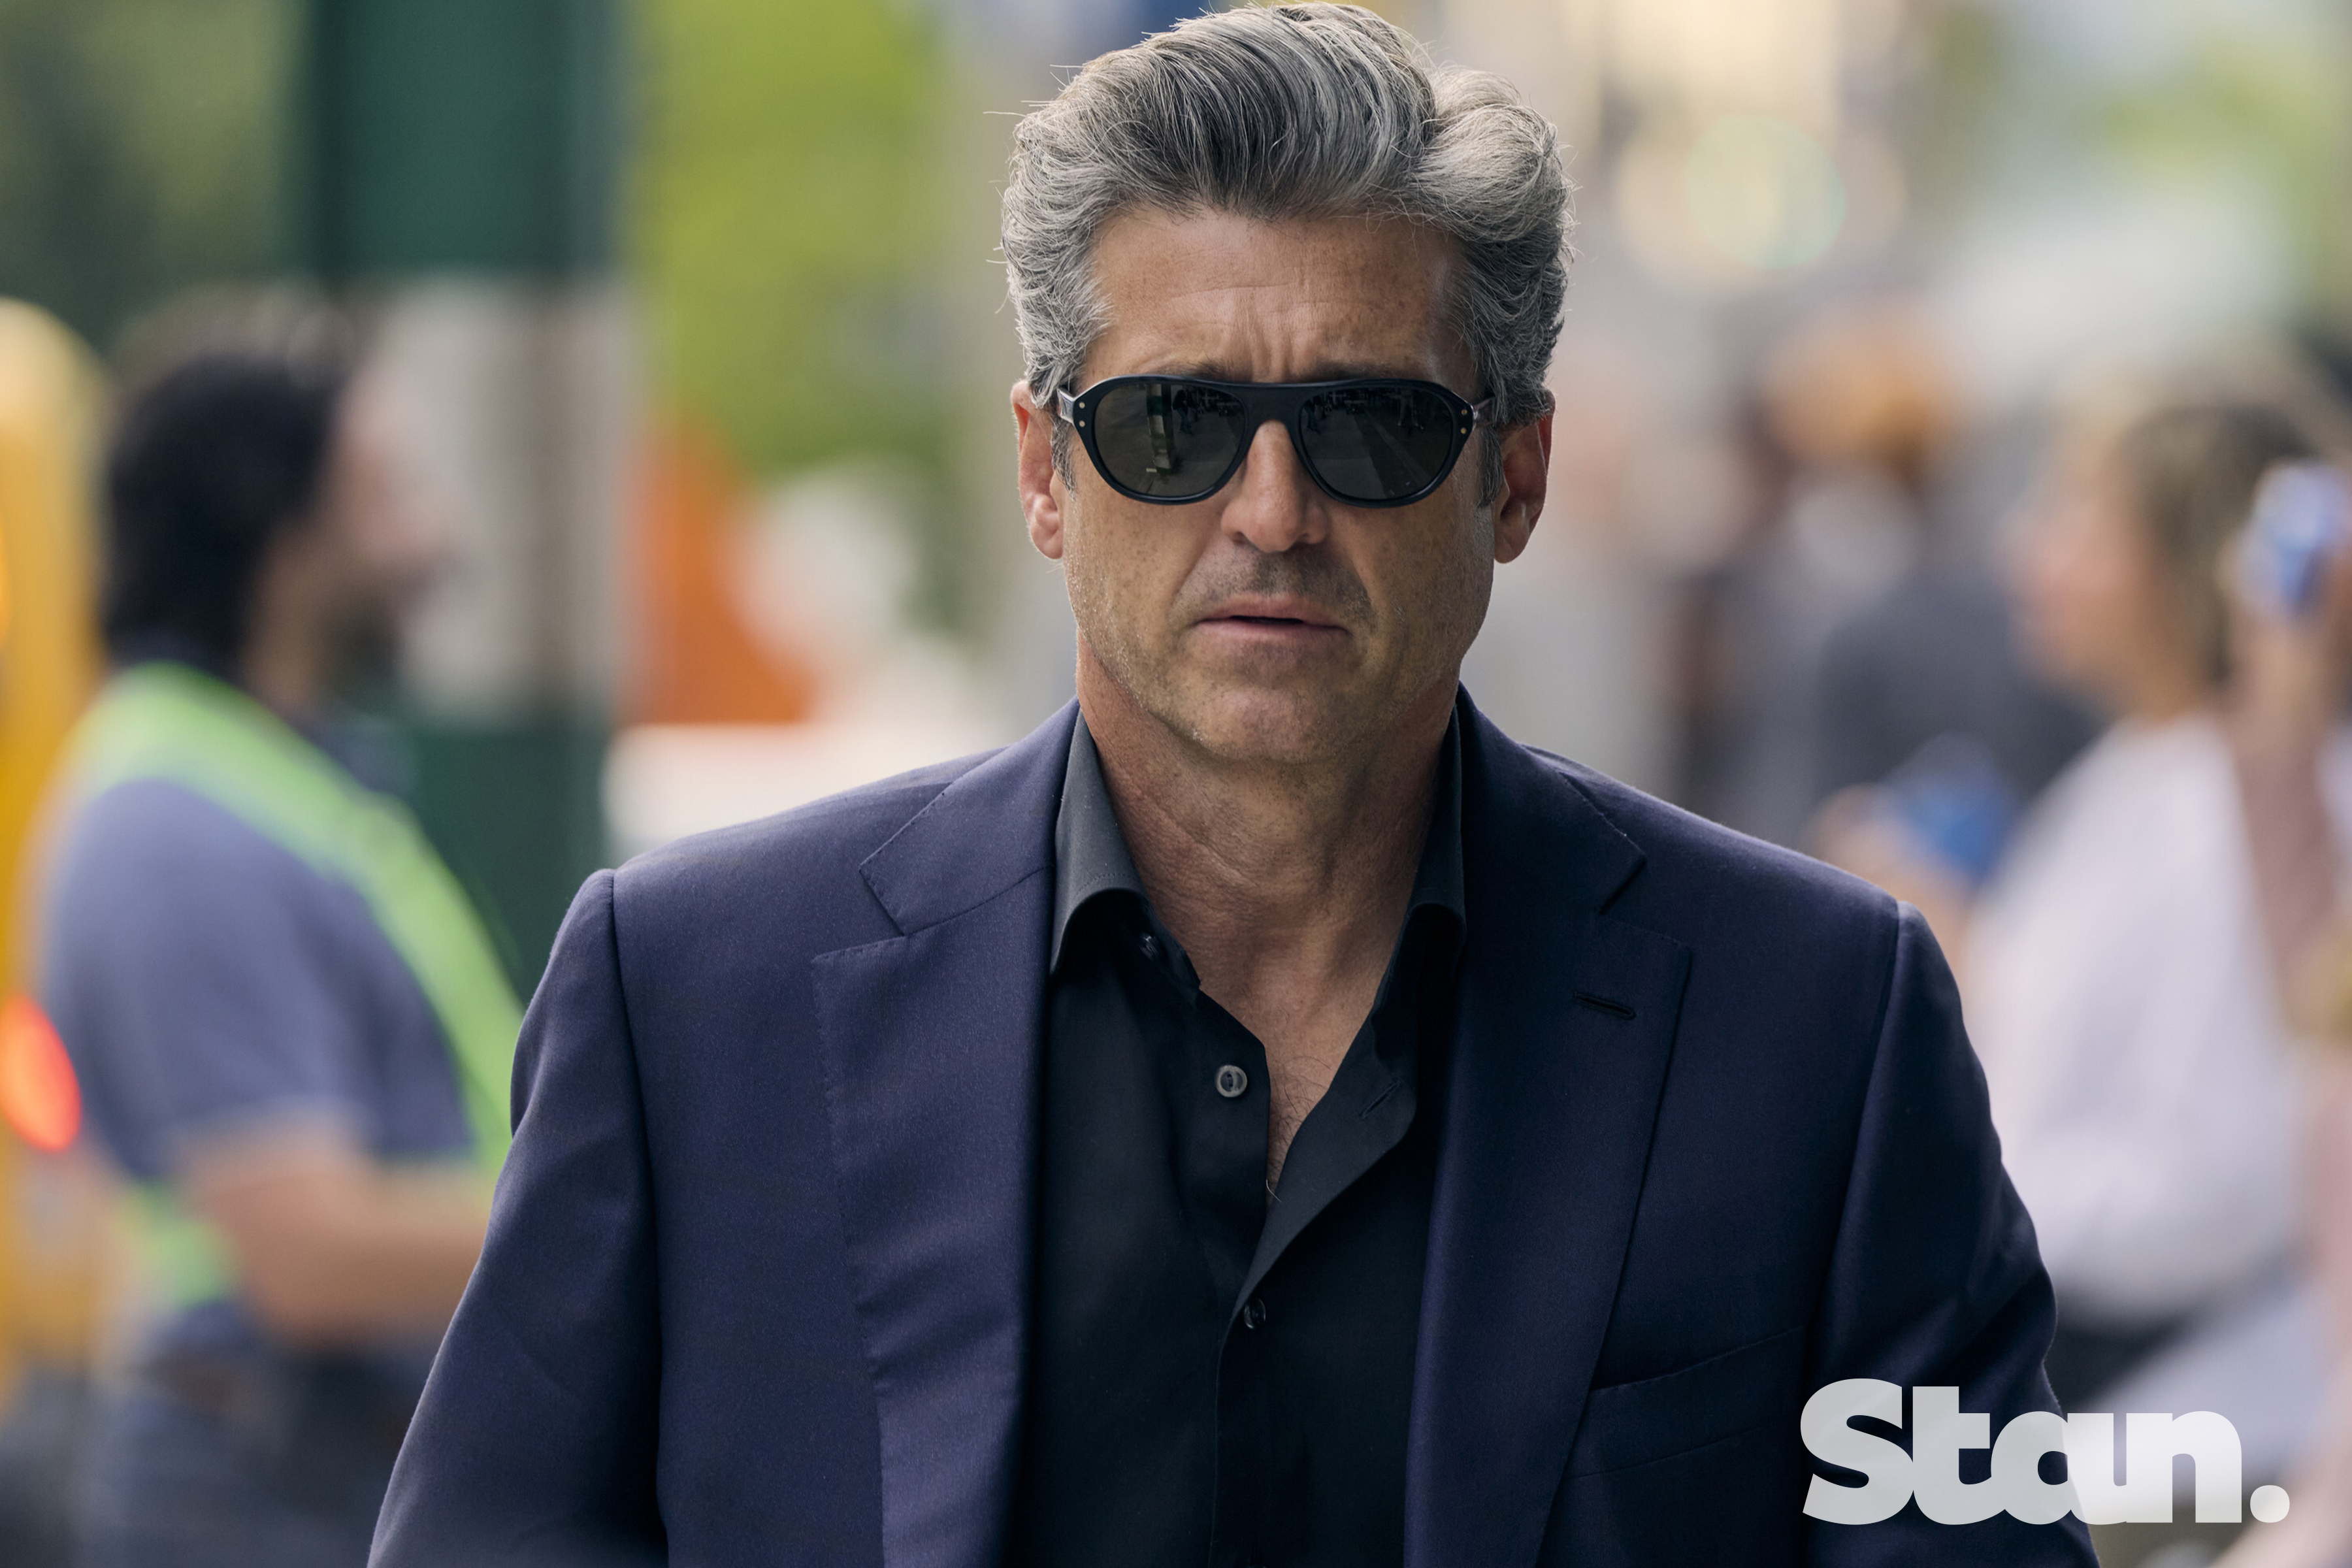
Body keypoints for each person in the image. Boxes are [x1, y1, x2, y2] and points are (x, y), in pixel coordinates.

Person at [374, 8, 2090, 1564]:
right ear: (1045, 472)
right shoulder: (695, 995)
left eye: (1371, 426)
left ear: (1514, 477)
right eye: (1172, 425)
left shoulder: (1818, 1023)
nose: (1271, 512)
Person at [35, 346, 516, 1566]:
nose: (435, 541)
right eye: (386, 496)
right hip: (275, 1487)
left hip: (302, 1468)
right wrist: (623, 1218)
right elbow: (304, 1253)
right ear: (282, 542)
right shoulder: (181, 830)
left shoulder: (254, 779)